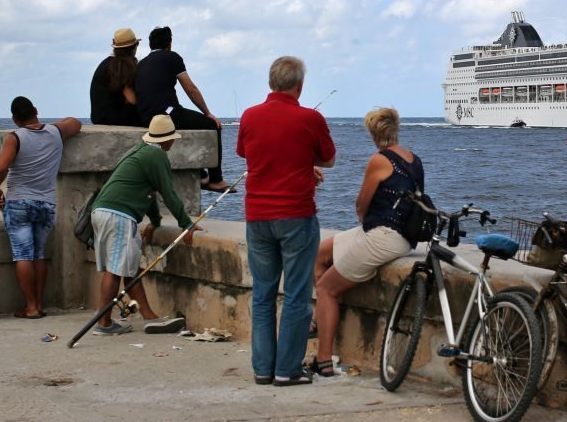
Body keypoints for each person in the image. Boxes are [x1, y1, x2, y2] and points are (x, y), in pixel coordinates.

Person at [237, 56, 335, 386]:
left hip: (257, 217)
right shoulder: (310, 117)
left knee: (263, 294)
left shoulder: (250, 116)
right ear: (300, 85)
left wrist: (297, 162)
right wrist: (305, 161)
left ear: (270, 83)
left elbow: (247, 153)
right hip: (296, 216)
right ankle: (287, 370)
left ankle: (263, 369)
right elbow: (330, 157)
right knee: (295, 295)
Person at [310, 108, 420, 376]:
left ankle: (323, 360)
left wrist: (364, 218)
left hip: (383, 236)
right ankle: (318, 320)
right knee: (319, 254)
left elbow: (362, 204)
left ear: (373, 133)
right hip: (399, 235)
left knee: (326, 288)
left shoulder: (379, 160)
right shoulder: (413, 159)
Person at [87, 114, 198, 336]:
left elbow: (149, 193)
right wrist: (186, 223)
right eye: (172, 139)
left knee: (128, 267)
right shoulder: (156, 156)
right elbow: (168, 192)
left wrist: (155, 222)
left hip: (102, 211)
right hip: (118, 215)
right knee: (115, 269)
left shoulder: (138, 151)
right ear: (166, 140)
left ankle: (149, 318)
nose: (173, 143)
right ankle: (103, 322)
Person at [0, 96, 82, 318]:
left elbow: (1, 167)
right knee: (39, 254)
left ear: (14, 119)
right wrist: (54, 125)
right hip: (47, 202)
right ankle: (39, 305)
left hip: (19, 202)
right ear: (36, 110)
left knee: (23, 254)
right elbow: (75, 122)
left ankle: (30, 307)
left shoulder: (15, 138)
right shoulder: (55, 132)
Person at [135, 26, 229, 191]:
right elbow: (191, 89)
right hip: (167, 114)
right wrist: (207, 113)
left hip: (146, 118)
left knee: (185, 118)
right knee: (212, 125)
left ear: (150, 44)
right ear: (169, 43)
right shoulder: (172, 57)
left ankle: (201, 174)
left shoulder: (142, 63)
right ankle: (216, 179)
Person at [90, 28, 142, 126]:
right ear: (134, 47)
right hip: (115, 118)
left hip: (98, 118)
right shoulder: (124, 66)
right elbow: (132, 99)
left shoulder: (106, 63)